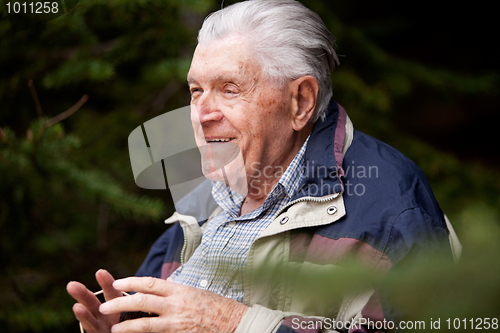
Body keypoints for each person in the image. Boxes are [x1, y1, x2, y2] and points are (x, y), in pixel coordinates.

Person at [67, 0, 461, 332]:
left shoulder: (392, 207)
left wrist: (235, 323)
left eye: (229, 89)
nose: (200, 115)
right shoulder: (203, 201)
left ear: (301, 102)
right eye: (196, 91)